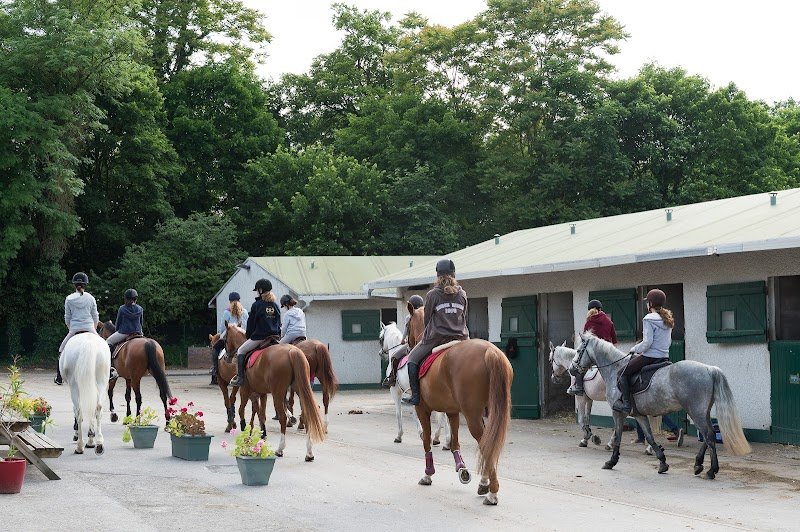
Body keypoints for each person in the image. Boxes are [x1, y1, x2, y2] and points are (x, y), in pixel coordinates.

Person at [406, 259, 469, 406]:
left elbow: (427, 319)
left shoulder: (432, 295)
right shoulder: (462, 294)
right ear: (454, 275)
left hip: (437, 339)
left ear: (438, 275)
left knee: (412, 359)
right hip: (461, 338)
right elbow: (464, 315)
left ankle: (416, 397)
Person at [614, 288, 674, 415]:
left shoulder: (649, 318)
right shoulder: (667, 319)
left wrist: (634, 349)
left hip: (650, 357)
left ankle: (626, 404)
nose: (647, 304)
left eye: (647, 302)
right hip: (664, 357)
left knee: (621, 374)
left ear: (651, 303)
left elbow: (647, 343)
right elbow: (668, 342)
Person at [229, 279, 281, 387]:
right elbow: (278, 323)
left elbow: (251, 324)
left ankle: (240, 378)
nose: (256, 292)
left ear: (261, 290)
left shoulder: (257, 305)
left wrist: (249, 336)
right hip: (275, 338)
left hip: (260, 337)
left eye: (257, 290)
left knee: (241, 350)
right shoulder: (275, 305)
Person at [55, 272, 102, 385]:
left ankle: (59, 377)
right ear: (85, 285)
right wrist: (94, 328)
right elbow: (95, 316)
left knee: (61, 350)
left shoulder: (69, 299)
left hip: (74, 329)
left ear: (74, 285)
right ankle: (109, 371)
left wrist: (71, 329)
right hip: (89, 328)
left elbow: (67, 317)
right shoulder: (90, 298)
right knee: (103, 346)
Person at [568, 299, 618, 396]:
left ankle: (579, 387)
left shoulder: (589, 322)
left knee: (579, 366)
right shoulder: (609, 321)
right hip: (608, 353)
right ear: (600, 309)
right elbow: (615, 341)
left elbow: (584, 342)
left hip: (594, 354)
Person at [382, 294, 424, 387]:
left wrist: (403, 339)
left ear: (411, 306)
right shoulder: (426, 314)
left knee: (394, 357)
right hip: (426, 342)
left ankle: (392, 379)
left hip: (413, 345)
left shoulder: (410, 317)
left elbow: (406, 329)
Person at [210, 292, 248, 385]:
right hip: (243, 338)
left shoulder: (227, 312)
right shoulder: (245, 311)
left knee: (215, 348)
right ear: (239, 300)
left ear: (230, 301)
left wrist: (222, 335)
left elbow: (222, 329)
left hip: (229, 338)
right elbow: (247, 326)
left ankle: (215, 369)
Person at [105, 289, 144, 380]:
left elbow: (118, 323)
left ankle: (109, 367)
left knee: (108, 342)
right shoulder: (140, 309)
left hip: (124, 332)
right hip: (138, 333)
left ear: (126, 299)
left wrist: (117, 330)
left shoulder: (122, 308)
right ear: (135, 299)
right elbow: (141, 322)